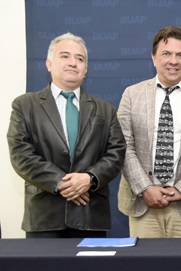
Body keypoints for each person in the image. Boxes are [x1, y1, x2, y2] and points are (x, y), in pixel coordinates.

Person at [7, 33, 125, 238]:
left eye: (80, 59)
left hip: (90, 215)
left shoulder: (105, 109)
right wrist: (62, 182)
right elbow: (20, 153)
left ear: (85, 70)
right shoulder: (25, 105)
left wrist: (89, 178)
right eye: (65, 56)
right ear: (49, 63)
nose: (73, 63)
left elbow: (116, 153)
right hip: (44, 217)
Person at [117, 26, 181, 238]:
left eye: (180, 55)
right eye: (166, 54)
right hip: (142, 203)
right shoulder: (132, 95)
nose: (173, 61)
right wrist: (145, 188)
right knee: (145, 269)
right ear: (153, 58)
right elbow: (123, 146)